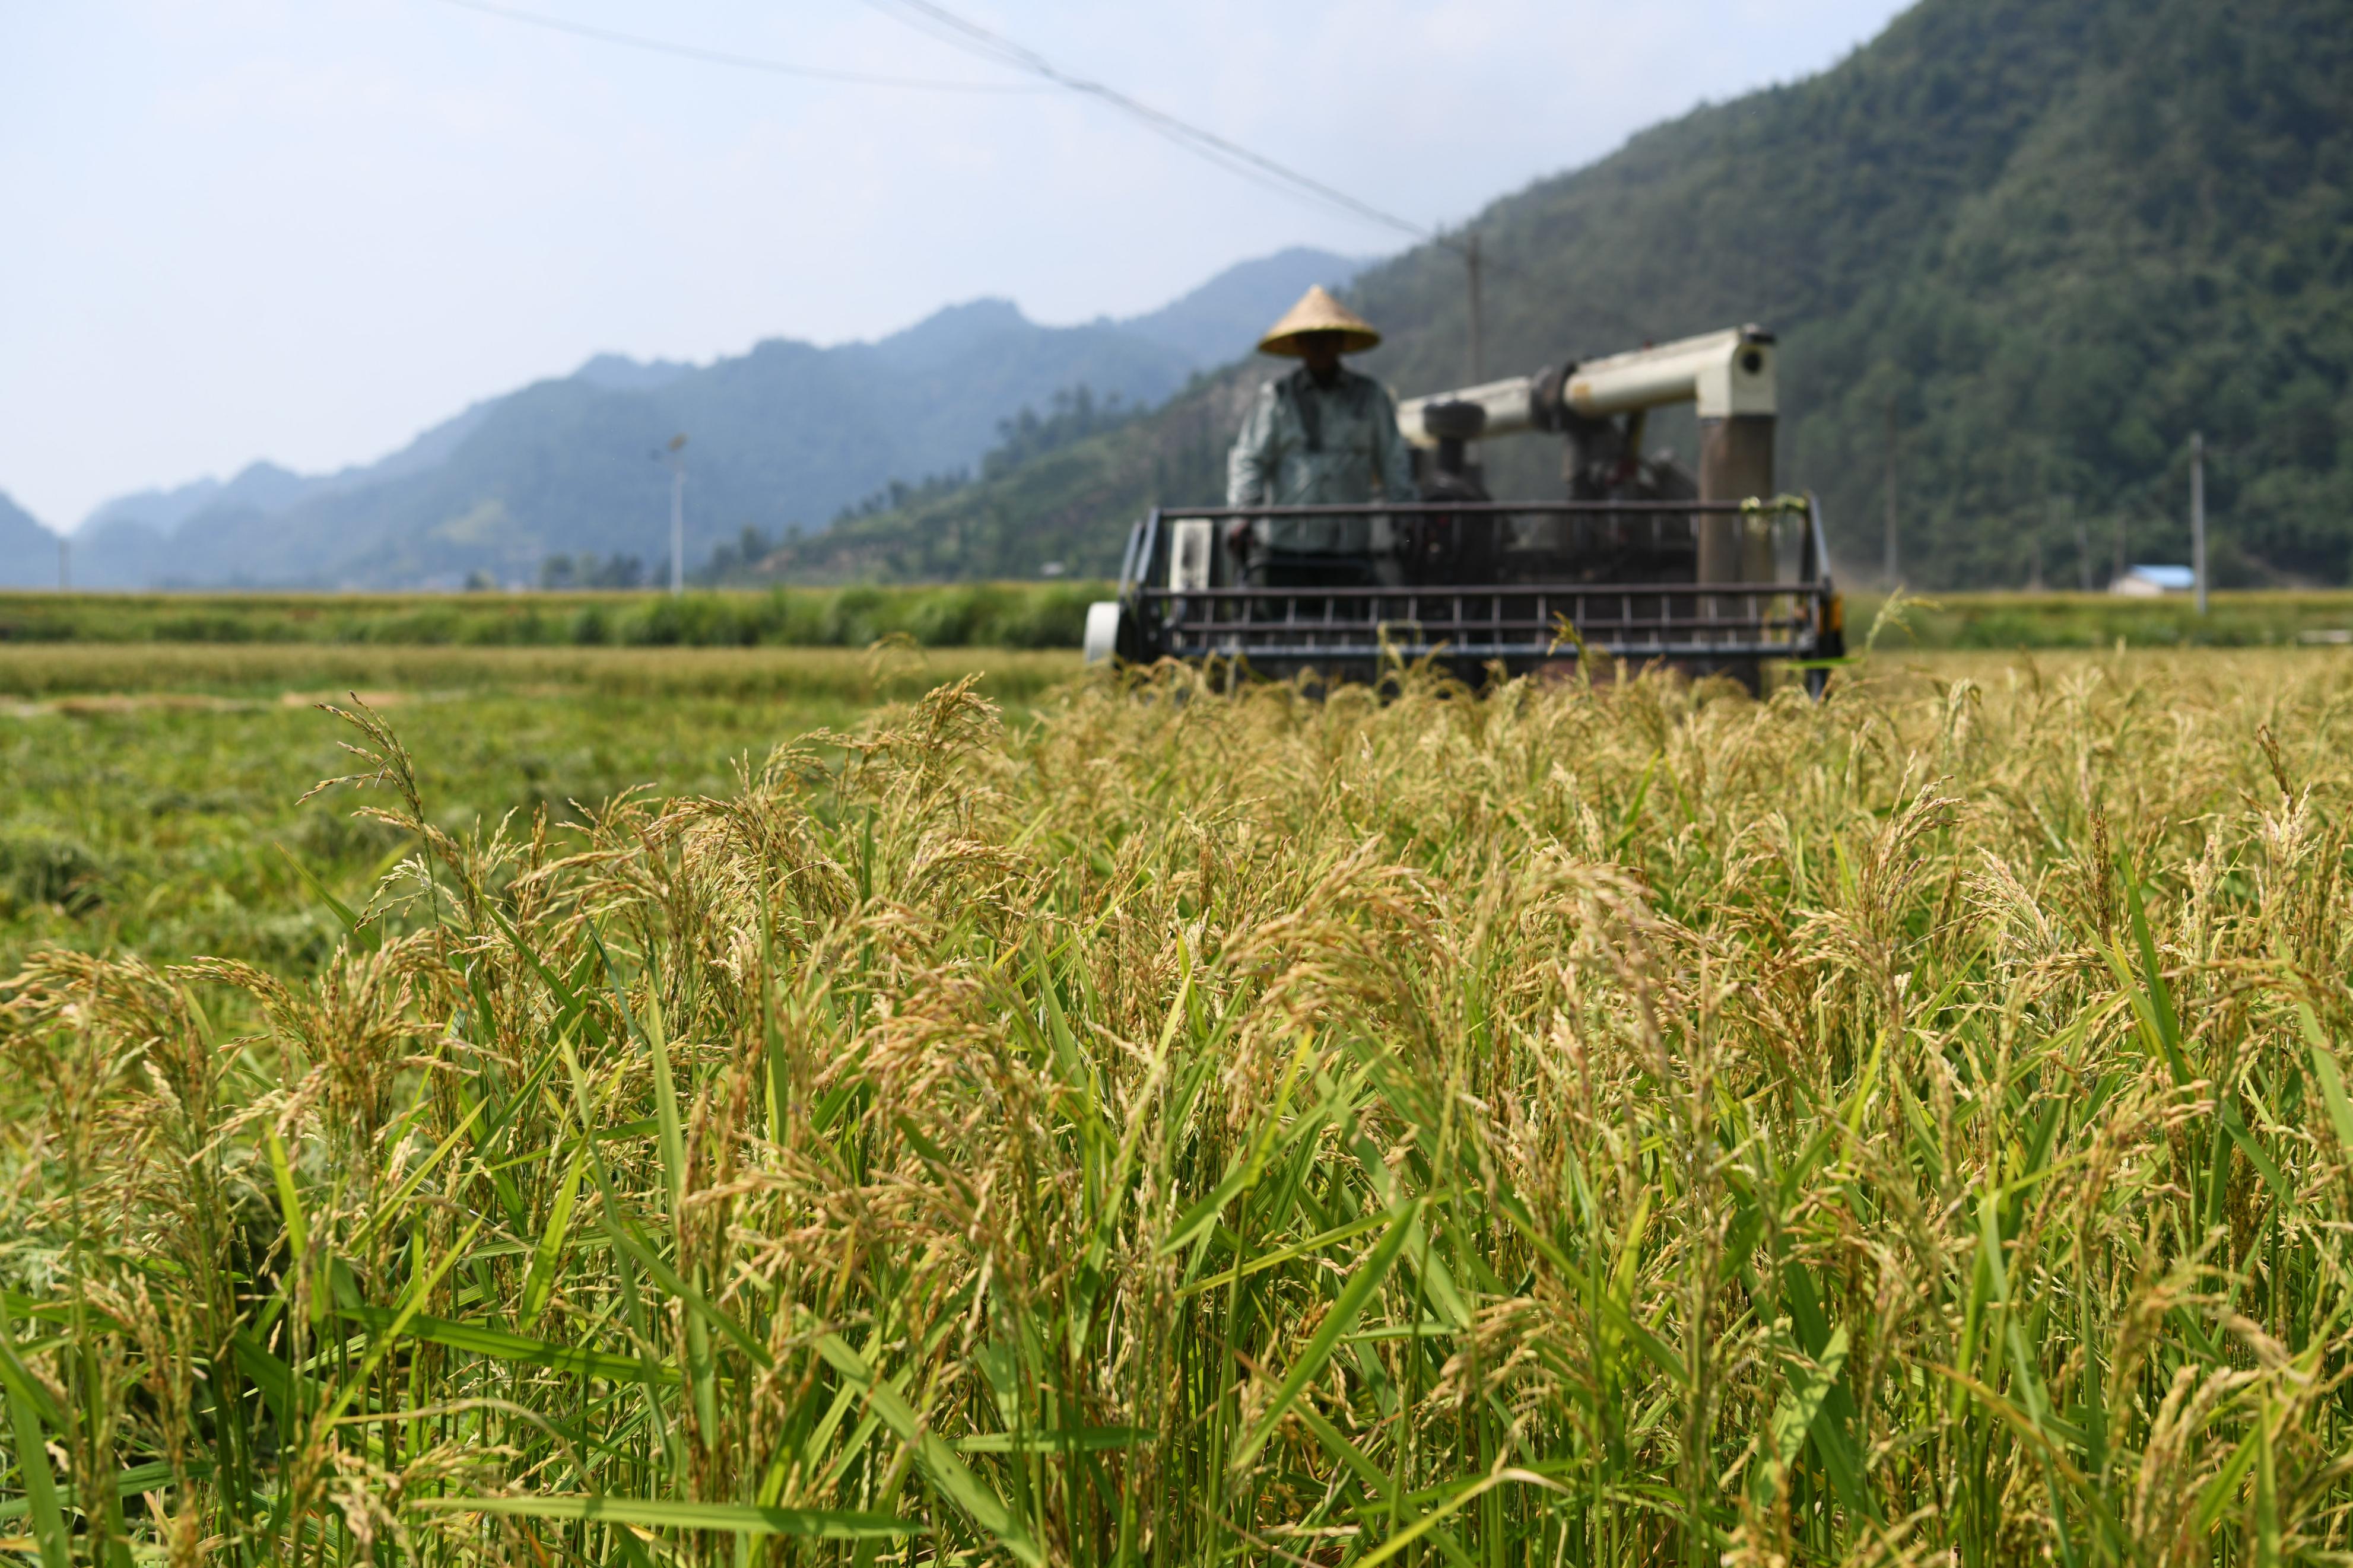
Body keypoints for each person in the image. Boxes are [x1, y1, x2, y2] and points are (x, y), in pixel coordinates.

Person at [1225, 287, 1414, 582]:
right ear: (1299, 344)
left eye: (1327, 338)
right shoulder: (1276, 398)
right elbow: (1250, 459)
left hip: (1350, 549)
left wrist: (1406, 516)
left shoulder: (1370, 397)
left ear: (1341, 341)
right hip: (1287, 547)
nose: (1320, 347)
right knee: (1283, 626)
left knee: (1351, 625)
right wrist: (1242, 516)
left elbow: (1393, 460)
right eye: (1311, 339)